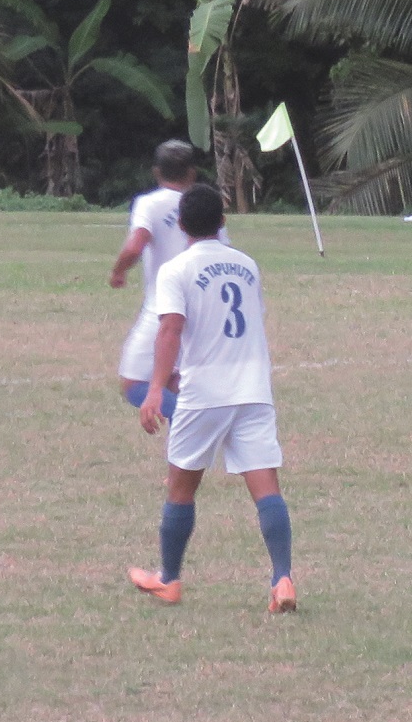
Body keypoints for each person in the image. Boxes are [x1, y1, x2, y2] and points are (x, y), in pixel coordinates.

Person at [128, 183, 297, 612]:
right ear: (223, 222)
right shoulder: (248, 265)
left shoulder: (176, 270)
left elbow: (170, 329)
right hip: (253, 388)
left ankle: (169, 580)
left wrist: (154, 388)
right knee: (267, 490)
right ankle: (283, 579)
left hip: (204, 391)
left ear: (181, 225)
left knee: (181, 489)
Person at [109, 140, 223, 419]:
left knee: (134, 382)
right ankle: (194, 430)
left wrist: (118, 271)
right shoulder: (203, 205)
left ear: (157, 172)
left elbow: (135, 246)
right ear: (192, 173)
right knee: (176, 379)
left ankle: (194, 422)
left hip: (164, 305)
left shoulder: (150, 203)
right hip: (203, 303)